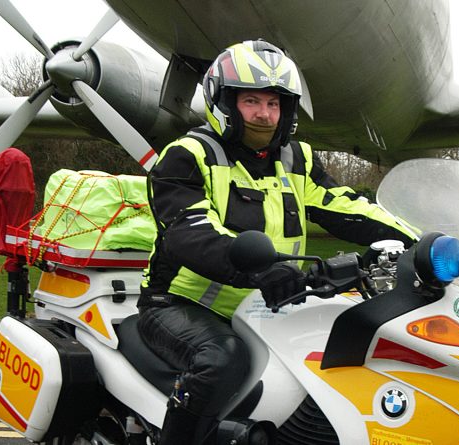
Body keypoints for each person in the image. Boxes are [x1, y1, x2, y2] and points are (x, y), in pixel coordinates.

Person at [138, 39, 414, 444]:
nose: (265, 115)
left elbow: (345, 206)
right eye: (252, 102)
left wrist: (418, 240)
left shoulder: (295, 159)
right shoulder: (187, 156)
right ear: (225, 103)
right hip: (183, 306)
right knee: (222, 360)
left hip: (273, 305)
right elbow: (190, 234)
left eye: (274, 104)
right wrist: (260, 270)